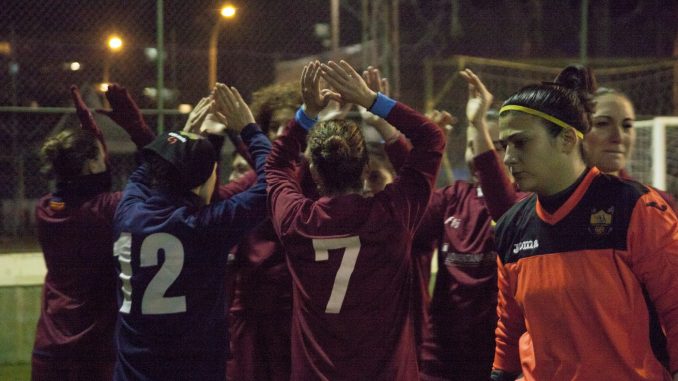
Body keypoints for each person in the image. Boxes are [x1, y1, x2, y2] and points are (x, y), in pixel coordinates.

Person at [491, 65, 678, 381]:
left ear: (565, 139)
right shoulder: (511, 226)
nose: (509, 157)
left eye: (521, 143)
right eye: (504, 145)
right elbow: (509, 327)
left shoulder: (636, 208)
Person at [266, 60, 445, 380]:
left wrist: (306, 114)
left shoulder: (297, 221)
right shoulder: (392, 215)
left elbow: (277, 165)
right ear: (365, 170)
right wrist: (373, 102)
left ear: (314, 173)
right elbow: (431, 138)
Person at [111, 84, 271, 381]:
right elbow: (272, 183)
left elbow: (144, 174)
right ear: (201, 183)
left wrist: (179, 140)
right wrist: (249, 129)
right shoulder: (206, 226)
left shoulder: (127, 213)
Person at [32, 84, 154, 381]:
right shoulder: (108, 208)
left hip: (50, 350)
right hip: (94, 353)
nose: (107, 161)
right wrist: (136, 127)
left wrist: (89, 130)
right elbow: (161, 172)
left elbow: (74, 190)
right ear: (89, 164)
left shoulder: (47, 207)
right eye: (102, 155)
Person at [413, 70, 523, 381]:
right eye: (474, 140)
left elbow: (503, 206)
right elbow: (410, 214)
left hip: (499, 355)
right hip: (442, 354)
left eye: (493, 145)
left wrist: (477, 123)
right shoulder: (452, 197)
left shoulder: (524, 201)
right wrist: (420, 151)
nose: (479, 151)